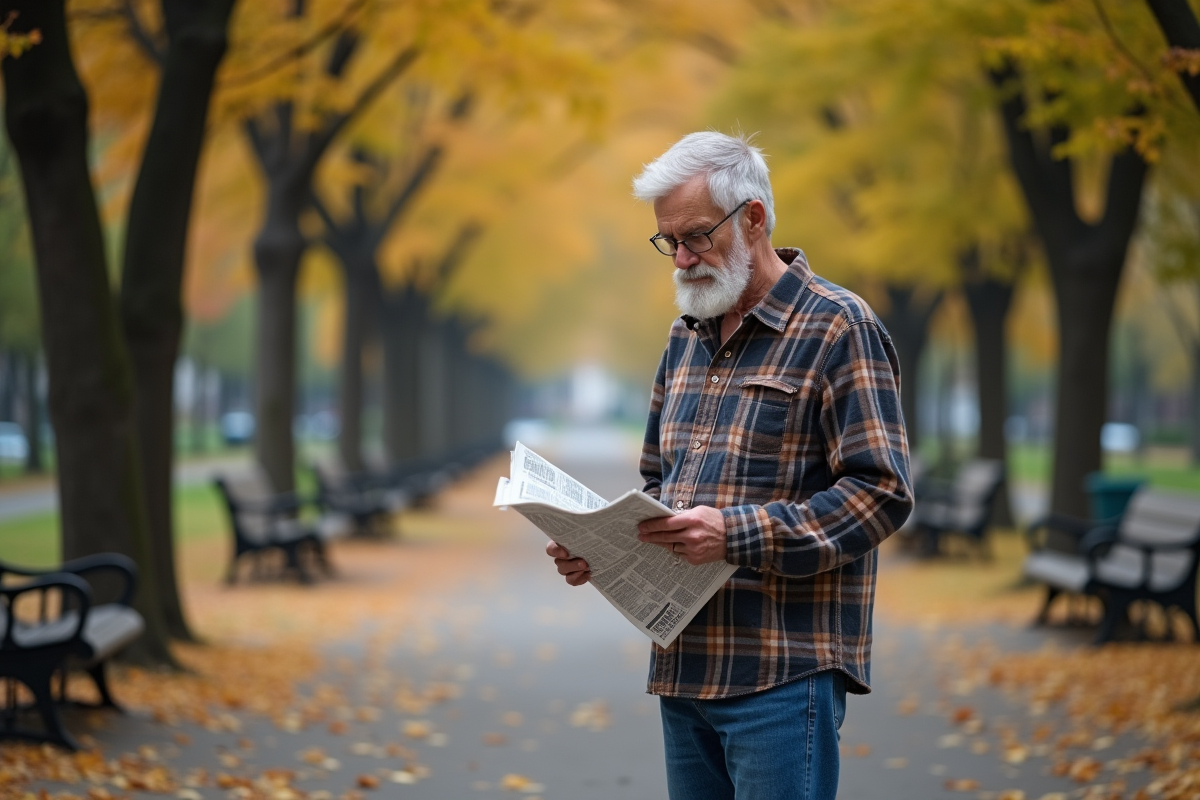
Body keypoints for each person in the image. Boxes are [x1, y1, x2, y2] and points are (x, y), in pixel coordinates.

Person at [545, 131, 913, 800]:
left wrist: (736, 534)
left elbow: (881, 491)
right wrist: (601, 545)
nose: (681, 258)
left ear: (753, 218)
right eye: (668, 241)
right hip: (684, 668)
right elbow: (661, 484)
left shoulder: (838, 327)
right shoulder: (683, 337)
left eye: (694, 236)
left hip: (782, 671)